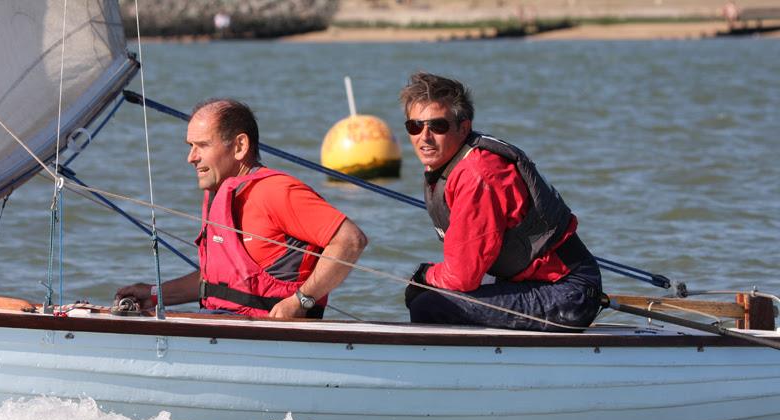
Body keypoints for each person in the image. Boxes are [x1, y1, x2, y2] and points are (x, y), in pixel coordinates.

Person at [115, 99, 367, 319]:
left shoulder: (276, 191)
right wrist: (154, 294)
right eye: (189, 146)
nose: (191, 157)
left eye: (202, 145)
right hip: (222, 325)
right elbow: (218, 281)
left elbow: (350, 241)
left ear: (239, 146)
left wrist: (301, 301)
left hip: (269, 338)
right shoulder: (223, 196)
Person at [399, 72, 601, 331]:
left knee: (429, 305)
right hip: (533, 284)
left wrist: (425, 275)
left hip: (567, 293)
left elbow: (462, 277)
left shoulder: (477, 174)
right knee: (425, 296)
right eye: (414, 126)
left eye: (438, 126)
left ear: (464, 127)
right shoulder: (450, 163)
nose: (424, 137)